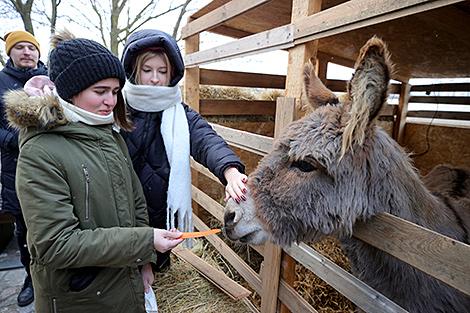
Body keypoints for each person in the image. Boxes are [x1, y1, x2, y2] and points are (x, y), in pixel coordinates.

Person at [3, 30, 183, 313]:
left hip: (123, 282)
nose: (111, 102)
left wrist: (144, 259)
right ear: (71, 92)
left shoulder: (109, 134)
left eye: (114, 92)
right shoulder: (41, 151)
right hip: (82, 296)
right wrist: (145, 240)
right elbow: (56, 245)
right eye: (100, 92)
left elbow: (134, 200)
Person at [121, 29, 247, 271]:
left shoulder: (181, 112)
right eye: (147, 70)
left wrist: (230, 171)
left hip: (161, 215)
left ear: (172, 74)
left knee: (158, 272)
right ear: (134, 71)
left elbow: (206, 140)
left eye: (162, 71)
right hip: (122, 216)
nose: (155, 79)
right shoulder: (118, 108)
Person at [0, 30, 46, 307]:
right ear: (10, 53)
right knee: (23, 227)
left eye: (31, 47)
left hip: (49, 164)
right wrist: (13, 140)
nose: (27, 52)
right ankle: (31, 278)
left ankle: (53, 274)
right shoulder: (1, 82)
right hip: (14, 165)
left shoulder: (51, 79)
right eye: (20, 48)